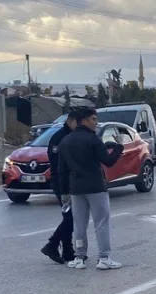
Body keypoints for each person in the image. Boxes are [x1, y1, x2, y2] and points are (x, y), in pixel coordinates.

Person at [56, 107, 125, 271]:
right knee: (101, 222)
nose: (96, 122)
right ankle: (104, 257)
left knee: (79, 224)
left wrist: (64, 192)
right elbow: (108, 161)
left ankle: (79, 257)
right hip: (95, 187)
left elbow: (61, 170)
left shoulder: (65, 141)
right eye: (93, 119)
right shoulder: (93, 139)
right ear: (85, 120)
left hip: (75, 189)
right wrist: (118, 147)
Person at [41, 111, 77, 264]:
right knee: (70, 217)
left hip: (69, 182)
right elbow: (58, 165)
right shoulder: (60, 137)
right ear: (71, 121)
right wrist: (64, 190)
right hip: (61, 182)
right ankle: (52, 244)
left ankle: (68, 250)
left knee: (71, 217)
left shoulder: (69, 135)